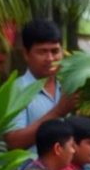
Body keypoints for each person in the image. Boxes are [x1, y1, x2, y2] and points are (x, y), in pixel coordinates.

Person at [6, 19, 78, 150]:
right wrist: (57, 112)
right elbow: (13, 141)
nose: (50, 59)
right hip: (31, 169)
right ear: (26, 54)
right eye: (42, 52)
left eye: (55, 51)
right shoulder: (16, 90)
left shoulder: (69, 86)